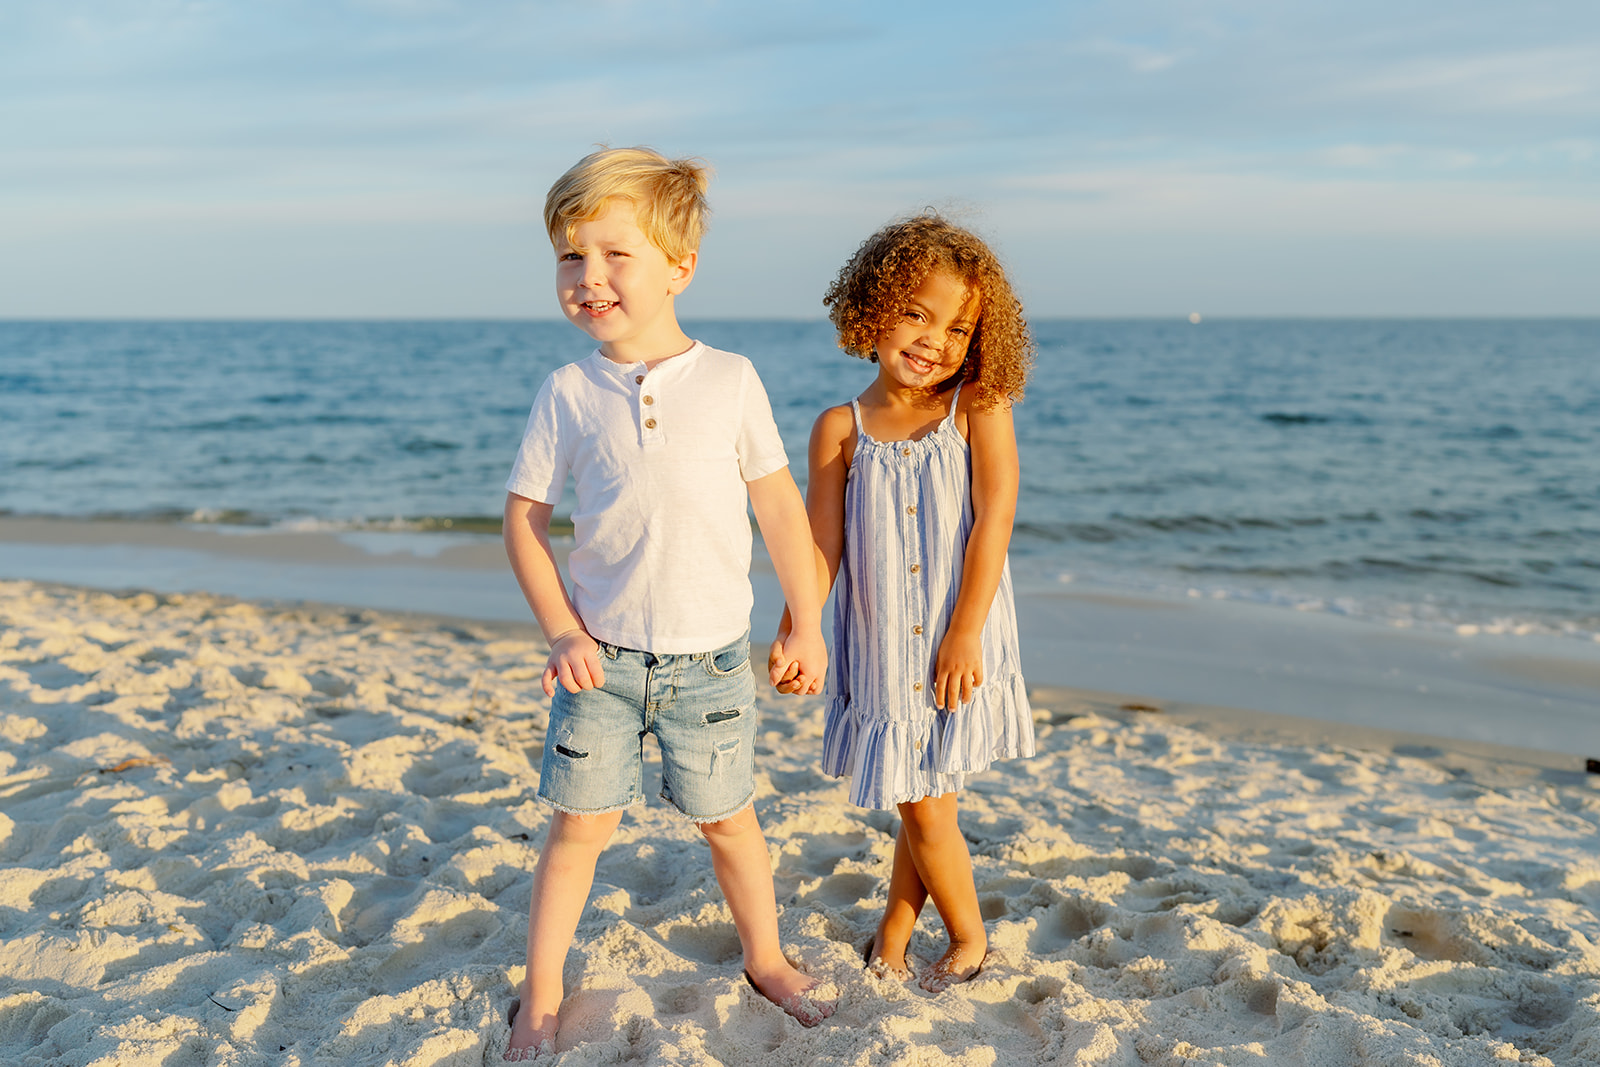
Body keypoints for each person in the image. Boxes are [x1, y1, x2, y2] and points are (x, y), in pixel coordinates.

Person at [501, 146, 833, 1059]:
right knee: (579, 829)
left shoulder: (730, 379)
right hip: (599, 662)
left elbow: (779, 507)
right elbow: (523, 521)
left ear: (681, 267)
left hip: (711, 662)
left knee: (729, 819)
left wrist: (807, 620)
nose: (589, 276)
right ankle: (541, 993)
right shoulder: (568, 392)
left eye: (617, 254)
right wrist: (561, 630)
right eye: (571, 256)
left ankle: (766, 958)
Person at [772, 212, 1036, 992]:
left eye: (958, 328)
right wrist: (798, 627)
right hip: (884, 641)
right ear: (874, 306)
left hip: (959, 634)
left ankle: (969, 936)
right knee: (919, 792)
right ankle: (895, 926)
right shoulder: (839, 429)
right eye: (918, 313)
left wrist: (965, 630)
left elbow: (997, 513)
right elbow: (821, 547)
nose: (935, 341)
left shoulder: (977, 404)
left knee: (926, 801)